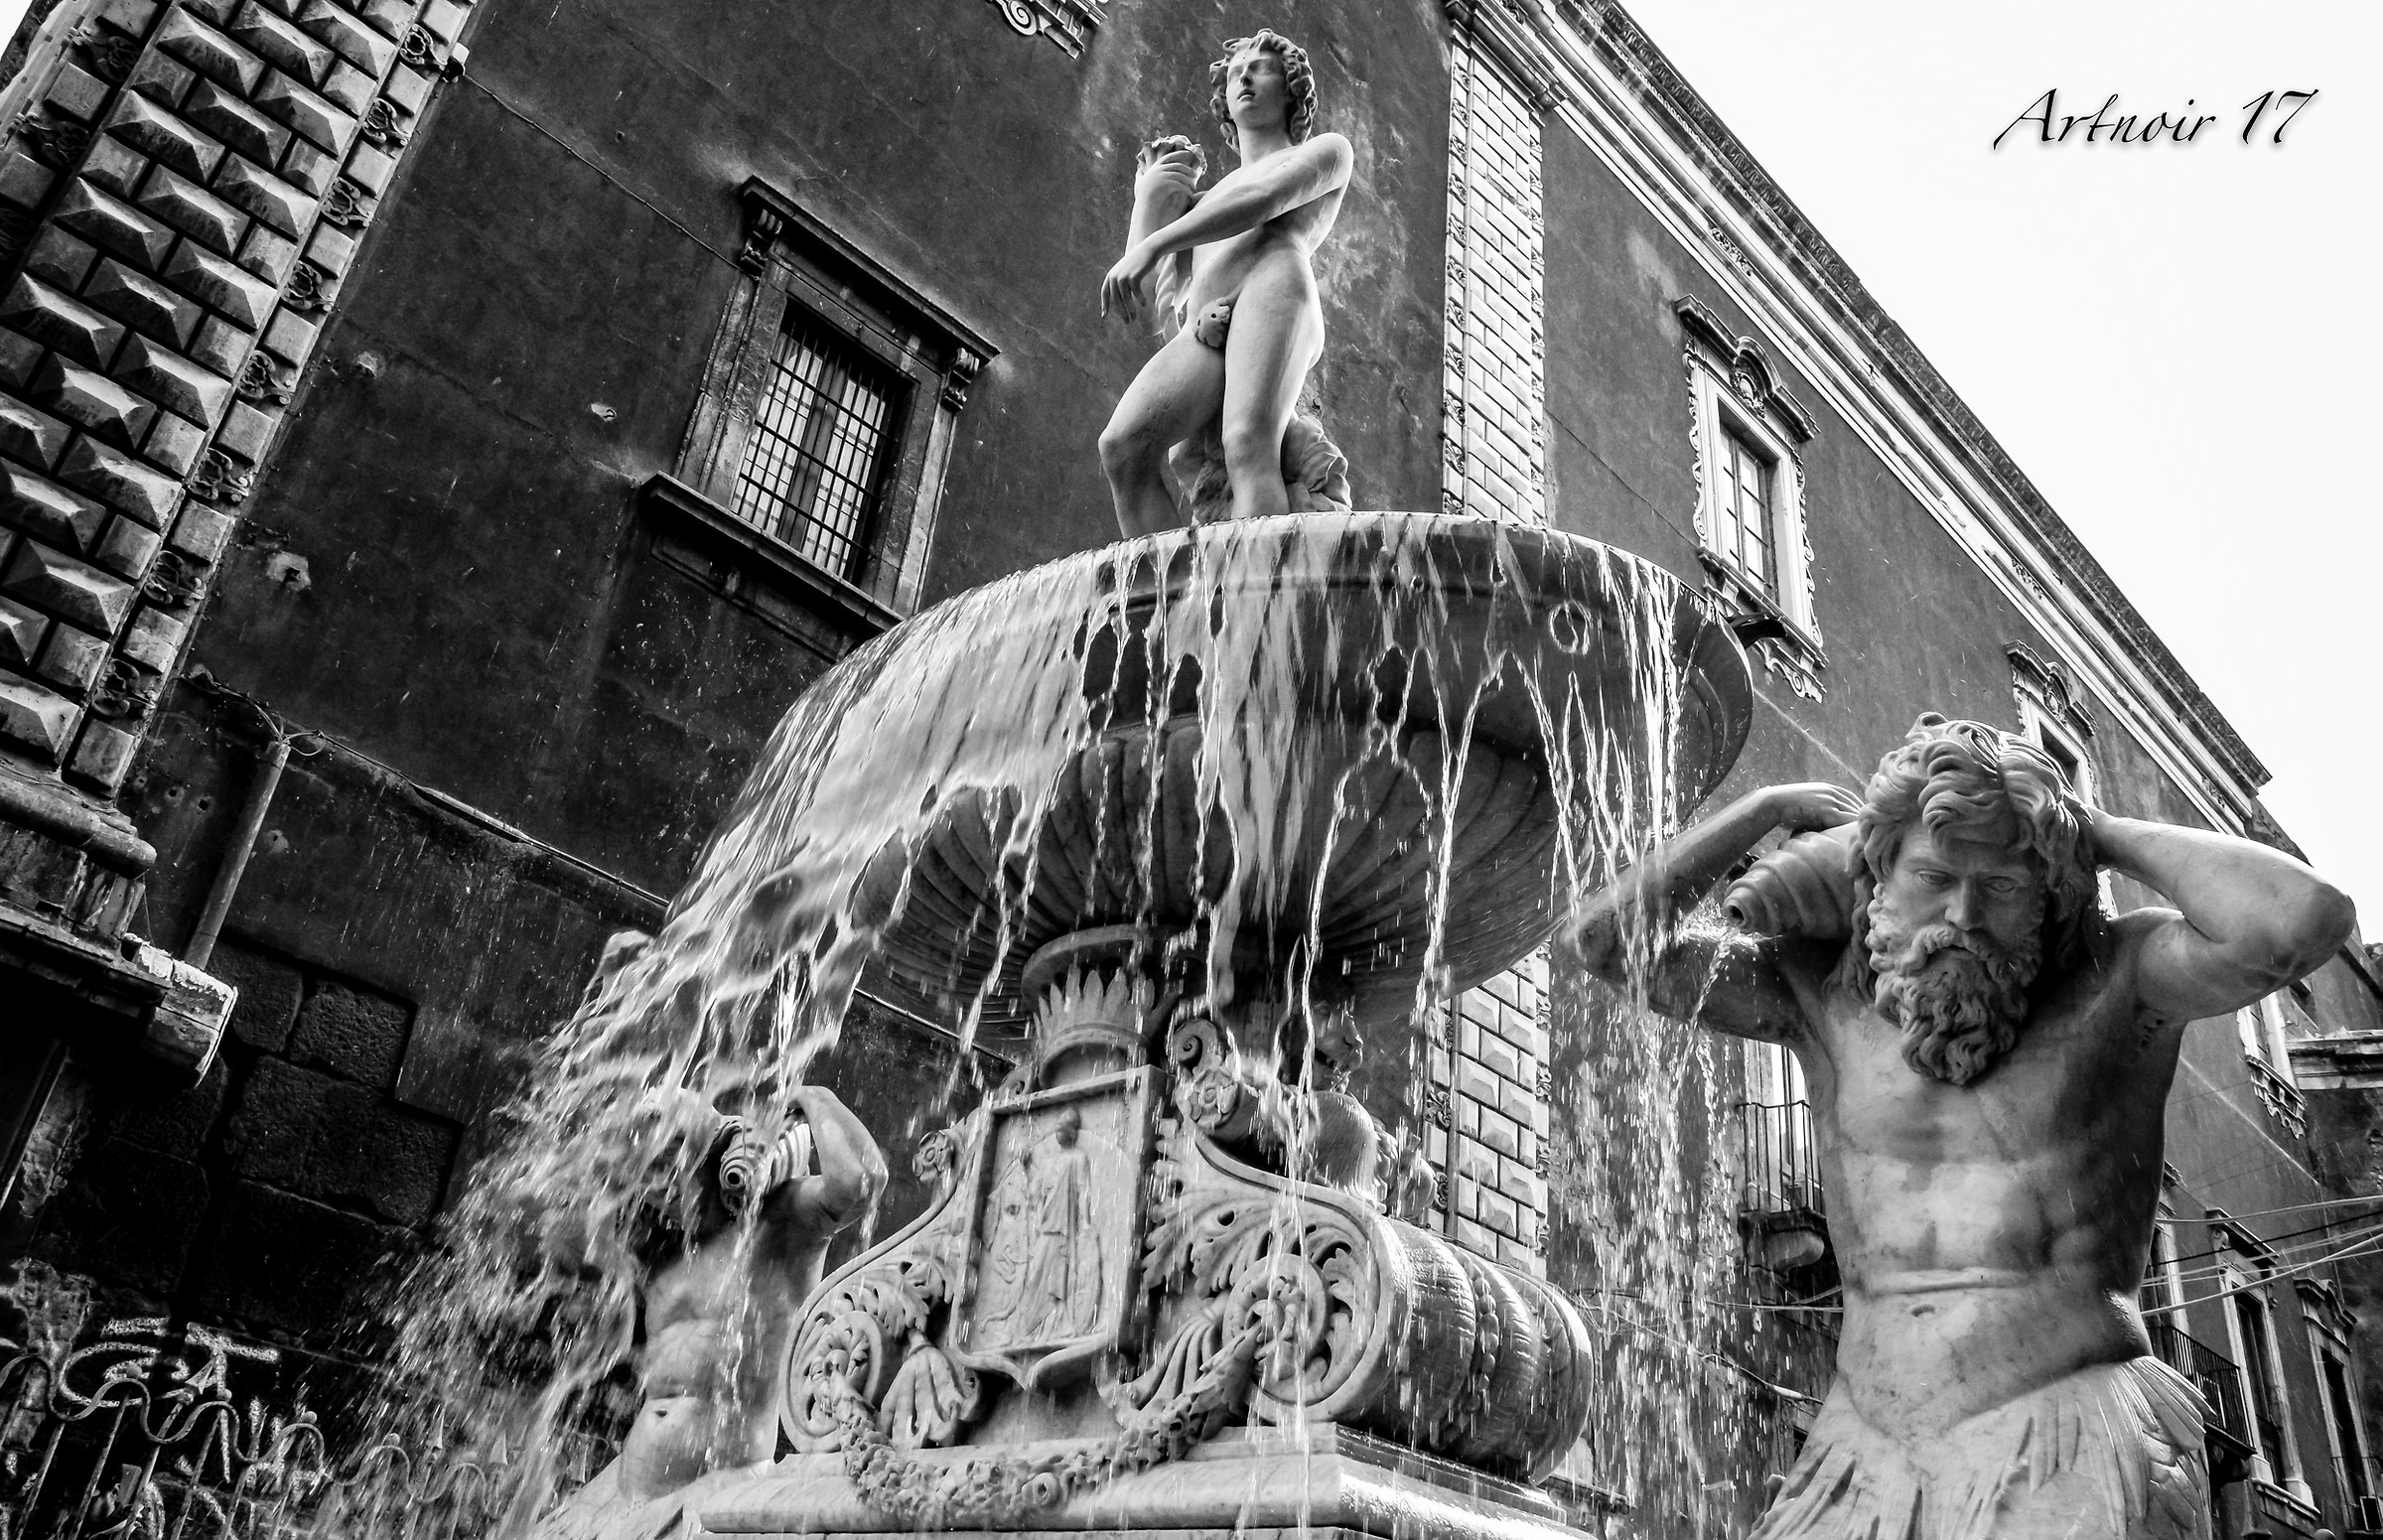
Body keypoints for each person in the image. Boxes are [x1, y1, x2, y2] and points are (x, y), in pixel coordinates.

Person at [1570, 714, 2356, 1540]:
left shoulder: (2120, 982)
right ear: (1877, 874)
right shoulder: (1820, 995)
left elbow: (2303, 918)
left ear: (2046, 894)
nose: (1965, 912)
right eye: (1934, 875)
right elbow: (1607, 943)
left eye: (2002, 886)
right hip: (1864, 1445)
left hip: (2064, 1423)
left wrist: (2092, 830)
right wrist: (1765, 807)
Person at [540, 1076, 886, 1537]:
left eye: (671, 1172)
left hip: (718, 1493)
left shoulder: (777, 1227)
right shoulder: (661, 1251)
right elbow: (555, 1237)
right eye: (649, 1178)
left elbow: (861, 1181)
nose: (660, 1191)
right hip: (621, 1493)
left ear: (716, 1163)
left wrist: (812, 1097)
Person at [1097, 29, 1352, 536]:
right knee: (1123, 447)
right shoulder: (1202, 208)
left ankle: (1261, 585)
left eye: (1261, 69)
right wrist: (1148, 201)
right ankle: (1173, 588)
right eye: (1236, 74)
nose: (1245, 79)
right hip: (1207, 328)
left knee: (1246, 444)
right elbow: (1147, 303)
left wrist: (1156, 242)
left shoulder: (1327, 152)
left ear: (1292, 89)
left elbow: (1263, 199)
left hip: (1275, 289)